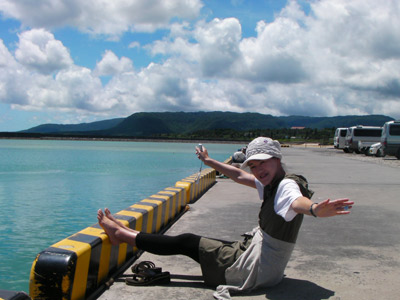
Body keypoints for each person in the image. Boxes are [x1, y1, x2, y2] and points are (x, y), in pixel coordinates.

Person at [97, 137, 354, 300]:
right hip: (265, 260)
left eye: (262, 163)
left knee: (187, 242)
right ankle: (126, 234)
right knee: (208, 244)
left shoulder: (286, 186)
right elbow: (239, 176)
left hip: (258, 268)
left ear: (277, 159)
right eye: (253, 164)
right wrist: (210, 161)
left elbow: (296, 202)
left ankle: (122, 236)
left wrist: (315, 209)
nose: (257, 169)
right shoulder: (271, 181)